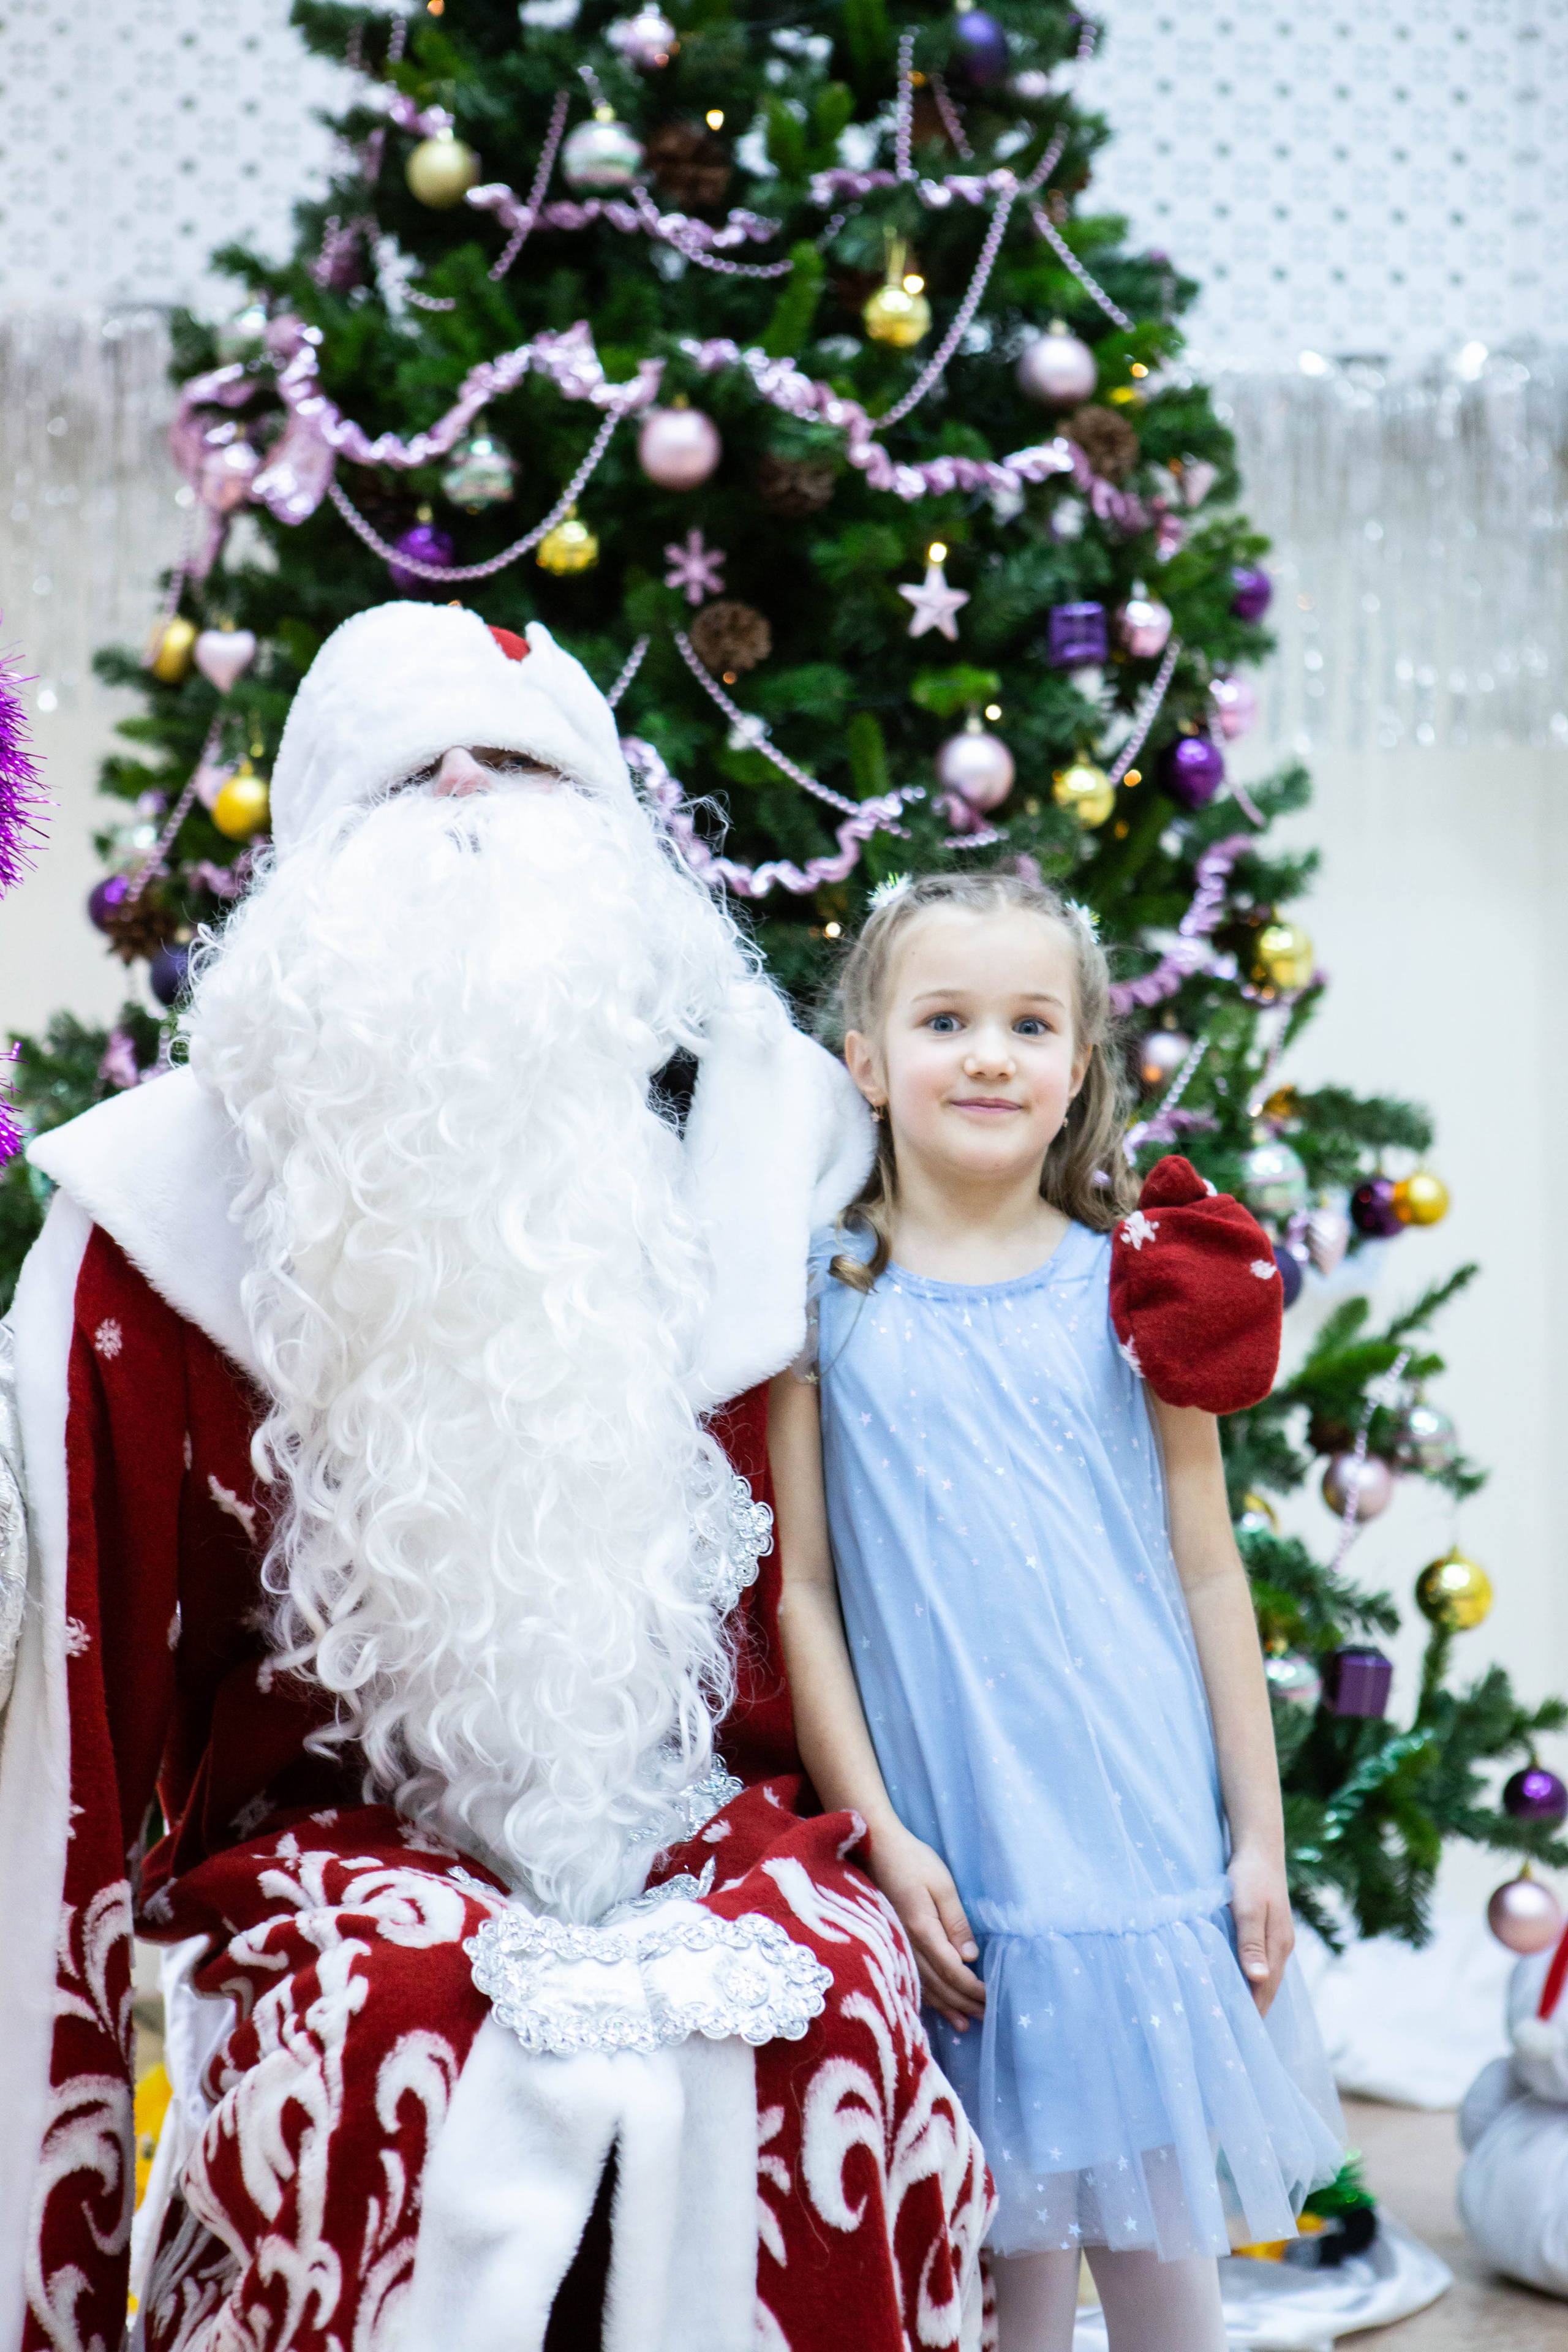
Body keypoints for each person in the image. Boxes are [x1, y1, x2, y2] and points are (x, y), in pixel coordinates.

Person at [0, 605, 992, 2352]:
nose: (464, 783)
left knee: (825, 2009)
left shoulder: (791, 1152)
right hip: (324, 1839)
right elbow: (68, 1651)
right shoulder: (156, 1217)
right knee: (393, 2024)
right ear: (308, 870)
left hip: (709, 1813)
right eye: (402, 771)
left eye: (525, 761)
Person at [768, 870, 1345, 2352]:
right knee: (993, 2271)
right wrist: (877, 1836)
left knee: (1159, 2272)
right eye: (943, 1019)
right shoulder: (815, 1298)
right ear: (863, 1056)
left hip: (1134, 1836)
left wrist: (1254, 1837)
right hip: (959, 1852)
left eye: (1028, 1025)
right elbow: (808, 1594)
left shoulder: (1136, 1287)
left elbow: (1207, 1569)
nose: (985, 1055)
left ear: (1078, 1064)